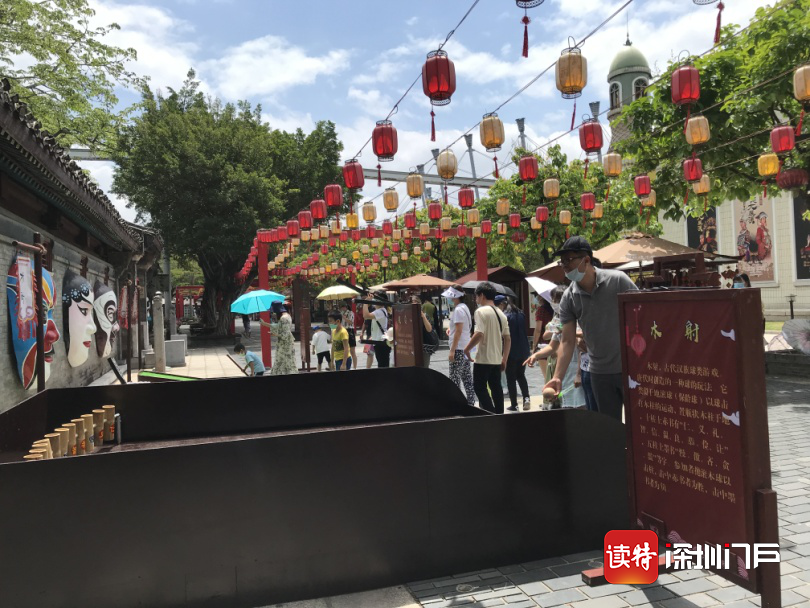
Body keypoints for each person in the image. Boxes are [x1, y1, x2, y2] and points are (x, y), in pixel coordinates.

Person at [544, 236, 638, 420]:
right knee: (609, 426)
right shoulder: (569, 297)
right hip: (600, 372)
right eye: (562, 262)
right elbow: (567, 341)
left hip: (632, 368)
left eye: (569, 260)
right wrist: (557, 377)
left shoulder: (618, 281)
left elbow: (641, 314)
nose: (564, 266)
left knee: (639, 424)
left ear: (586, 260)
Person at [464, 282, 511, 414]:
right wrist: (504, 359)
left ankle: (490, 413)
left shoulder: (480, 311)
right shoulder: (501, 313)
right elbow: (508, 338)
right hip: (497, 359)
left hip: (483, 358)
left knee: (479, 387)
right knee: (496, 388)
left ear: (482, 295)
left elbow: (479, 333)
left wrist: (467, 349)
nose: (476, 299)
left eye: (476, 296)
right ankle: (499, 414)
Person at [444, 285, 475, 408]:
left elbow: (458, 330)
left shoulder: (458, 310)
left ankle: (456, 403)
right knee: (467, 377)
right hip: (465, 347)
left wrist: (452, 350)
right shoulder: (464, 308)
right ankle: (470, 402)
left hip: (458, 348)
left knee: (455, 378)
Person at [504, 296, 531, 411]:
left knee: (510, 378)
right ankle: (526, 398)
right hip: (524, 349)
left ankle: (514, 404)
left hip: (511, 350)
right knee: (521, 375)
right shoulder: (521, 314)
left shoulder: (505, 316)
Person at [259, 300, 298, 375]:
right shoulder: (287, 316)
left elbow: (285, 334)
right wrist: (264, 323)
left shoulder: (284, 318)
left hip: (284, 344)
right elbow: (278, 326)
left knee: (283, 362)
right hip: (286, 343)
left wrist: (275, 334)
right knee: (286, 362)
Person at [363, 292, 391, 368]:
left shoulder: (380, 311)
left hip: (381, 343)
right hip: (379, 342)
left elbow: (365, 315)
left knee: (383, 366)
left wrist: (366, 302)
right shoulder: (380, 311)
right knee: (382, 365)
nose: (374, 301)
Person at [413, 295, 437, 368]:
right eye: (412, 302)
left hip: (424, 346)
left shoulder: (425, 316)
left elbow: (429, 329)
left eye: (416, 302)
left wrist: (423, 317)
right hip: (412, 346)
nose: (414, 304)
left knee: (424, 368)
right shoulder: (409, 315)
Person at [339, 303, 357, 369]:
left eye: (343, 307)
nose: (342, 308)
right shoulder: (340, 313)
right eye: (341, 307)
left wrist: (344, 318)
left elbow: (351, 322)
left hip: (349, 331)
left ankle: (354, 367)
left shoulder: (350, 313)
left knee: (352, 351)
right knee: (344, 350)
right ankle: (345, 365)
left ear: (346, 307)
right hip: (343, 330)